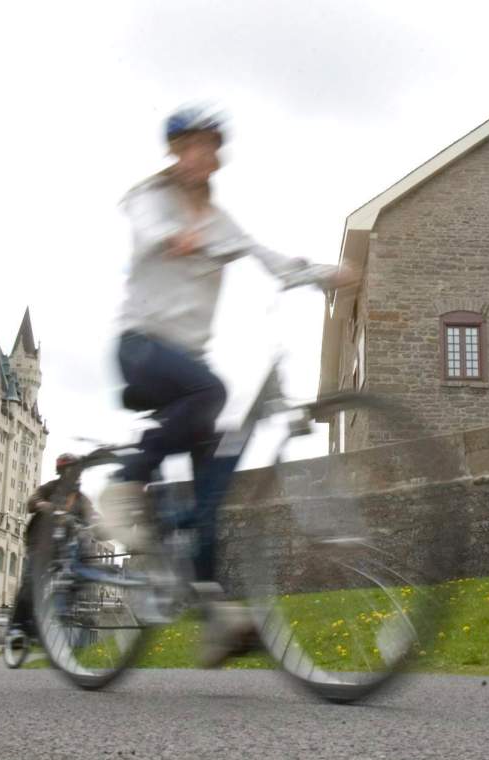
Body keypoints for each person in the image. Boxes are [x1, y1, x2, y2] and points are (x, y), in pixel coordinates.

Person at [101, 104, 354, 667]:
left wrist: (323, 273)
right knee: (210, 393)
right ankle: (122, 485)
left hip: (184, 362)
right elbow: (148, 228)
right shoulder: (152, 198)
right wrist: (175, 236)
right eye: (192, 146)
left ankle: (216, 613)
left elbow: (269, 258)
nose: (202, 157)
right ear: (175, 152)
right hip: (140, 347)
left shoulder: (220, 222)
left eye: (210, 148)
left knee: (213, 484)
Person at [7, 452, 95, 639]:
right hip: (40, 544)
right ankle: (16, 627)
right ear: (61, 472)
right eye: (68, 470)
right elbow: (32, 501)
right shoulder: (50, 488)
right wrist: (41, 504)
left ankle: (60, 614)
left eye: (75, 471)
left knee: (78, 576)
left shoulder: (81, 500)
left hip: (64, 550)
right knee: (31, 581)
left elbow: (94, 518)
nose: (72, 474)